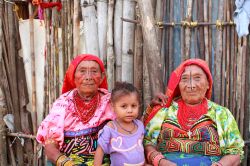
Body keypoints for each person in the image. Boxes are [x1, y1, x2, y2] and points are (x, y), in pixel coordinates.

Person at [143, 59, 244, 166]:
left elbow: (236, 152)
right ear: (178, 85)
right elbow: (147, 143)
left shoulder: (222, 114)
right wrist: (161, 162)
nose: (191, 85)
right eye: (184, 79)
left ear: (208, 84)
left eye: (197, 78)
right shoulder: (164, 111)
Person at [36, 54, 116, 165]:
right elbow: (50, 144)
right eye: (82, 71)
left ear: (102, 76)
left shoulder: (111, 102)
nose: (88, 77)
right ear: (73, 76)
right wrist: (64, 162)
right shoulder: (63, 104)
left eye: (94, 71)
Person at [94, 82, 145, 166]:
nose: (129, 110)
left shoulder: (139, 125)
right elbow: (100, 150)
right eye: (124, 106)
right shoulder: (111, 128)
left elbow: (141, 149)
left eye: (133, 106)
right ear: (113, 107)